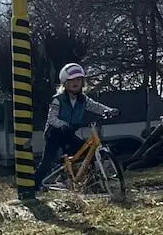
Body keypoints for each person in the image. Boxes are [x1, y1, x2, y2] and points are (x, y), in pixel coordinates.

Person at [34, 63, 118, 191]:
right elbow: (51, 118)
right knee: (47, 161)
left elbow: (96, 106)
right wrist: (62, 124)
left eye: (78, 80)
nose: (75, 83)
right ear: (64, 83)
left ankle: (92, 184)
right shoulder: (58, 100)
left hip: (69, 132)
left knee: (88, 154)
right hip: (55, 133)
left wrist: (109, 110)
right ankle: (33, 186)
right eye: (71, 80)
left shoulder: (83, 99)